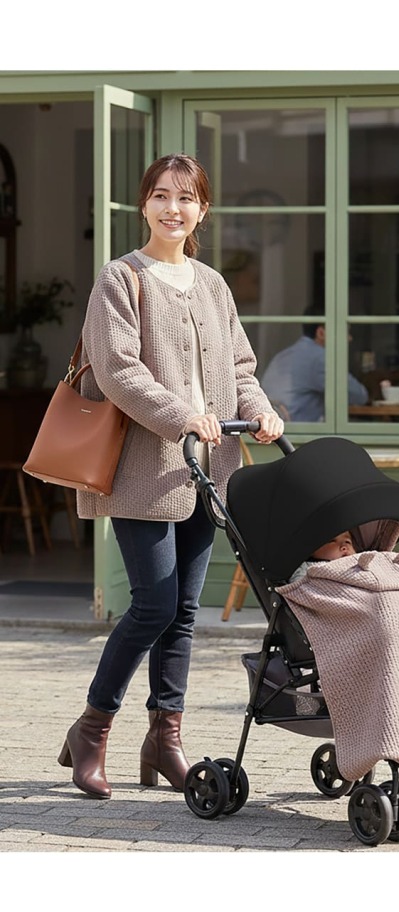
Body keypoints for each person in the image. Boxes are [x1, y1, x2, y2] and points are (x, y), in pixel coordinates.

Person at [58, 154, 284, 800]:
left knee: (183, 612)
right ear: (144, 205)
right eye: (161, 195)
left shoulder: (213, 285)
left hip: (208, 472)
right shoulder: (120, 278)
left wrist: (260, 410)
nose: (172, 208)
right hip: (145, 472)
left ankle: (165, 740)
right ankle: (92, 730)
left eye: (185, 198)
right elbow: (118, 370)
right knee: (153, 605)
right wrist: (182, 415)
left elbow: (239, 368)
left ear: (202, 210)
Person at [260, 309, 369, 421]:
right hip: (300, 428)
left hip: (277, 426)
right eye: (345, 332)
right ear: (321, 333)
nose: (350, 338)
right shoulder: (320, 358)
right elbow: (359, 396)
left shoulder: (284, 355)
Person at [288, 530, 356, 583]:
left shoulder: (357, 562)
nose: (344, 547)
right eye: (332, 541)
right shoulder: (307, 567)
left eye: (347, 542)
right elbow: (297, 586)